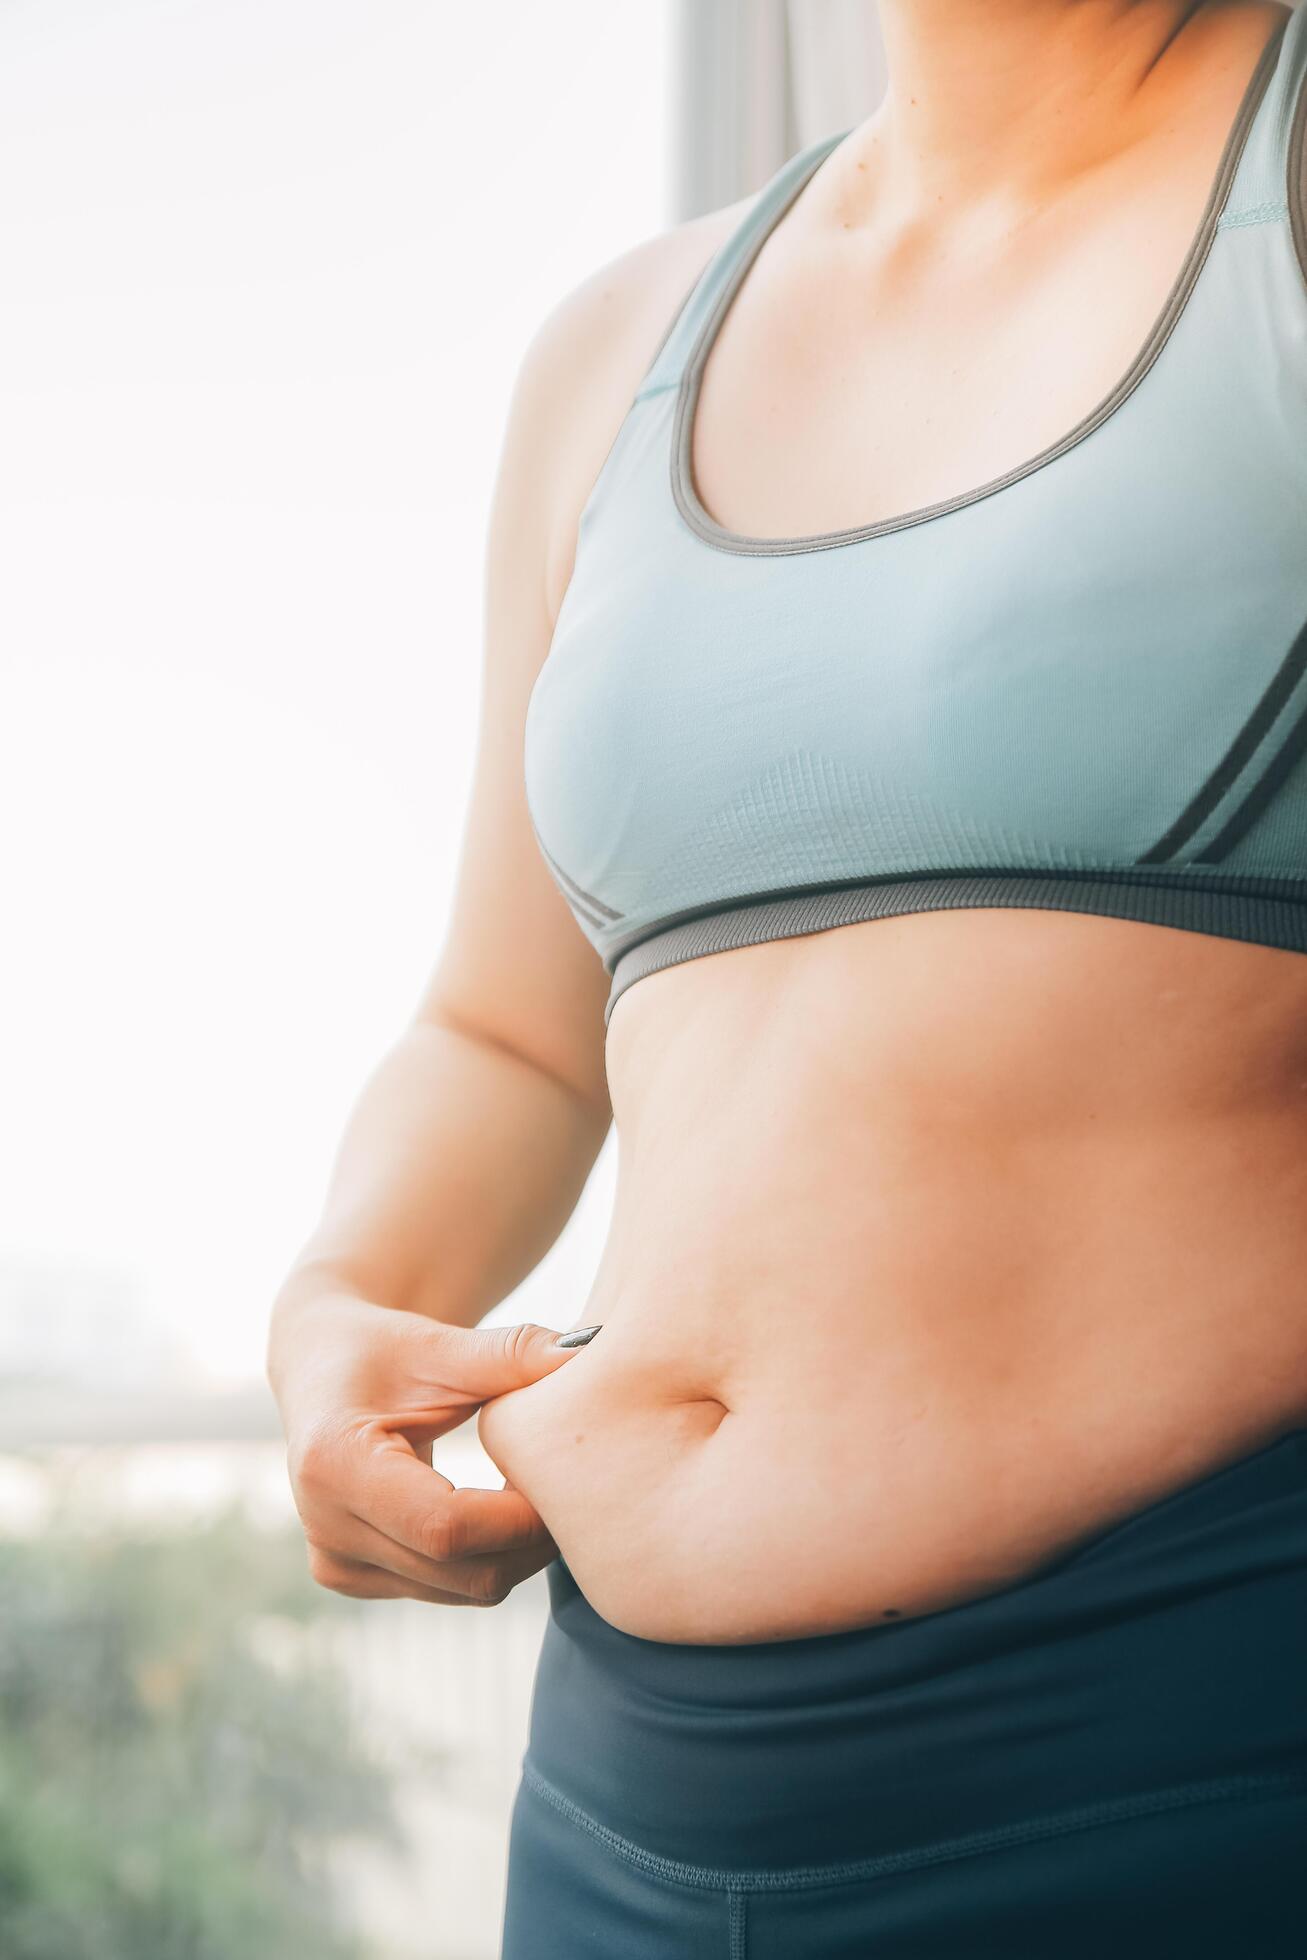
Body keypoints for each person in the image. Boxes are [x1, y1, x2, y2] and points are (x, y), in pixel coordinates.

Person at [265, 3, 1307, 1952]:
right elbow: (506, 1030)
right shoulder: (621, 347)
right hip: (622, 1798)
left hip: (1197, 1747)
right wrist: (342, 1305)